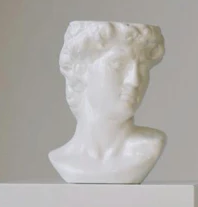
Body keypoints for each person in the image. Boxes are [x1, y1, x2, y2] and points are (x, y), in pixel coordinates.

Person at [49, 20, 166, 183]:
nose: (135, 80)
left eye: (142, 68)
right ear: (81, 69)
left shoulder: (147, 148)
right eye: (118, 65)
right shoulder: (63, 158)